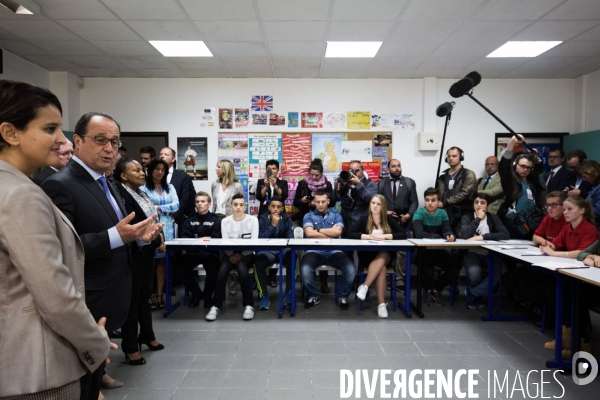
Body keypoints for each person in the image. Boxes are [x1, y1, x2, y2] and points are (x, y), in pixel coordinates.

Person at [0, 80, 113, 399]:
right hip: (37, 366)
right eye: (50, 129)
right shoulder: (21, 195)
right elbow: (54, 295)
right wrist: (96, 341)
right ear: (10, 133)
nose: (62, 141)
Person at [41, 111, 161, 400]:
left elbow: (122, 233)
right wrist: (116, 236)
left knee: (92, 378)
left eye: (115, 142)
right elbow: (59, 247)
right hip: (85, 299)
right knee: (80, 383)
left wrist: (140, 239)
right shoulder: (61, 185)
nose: (109, 148)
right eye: (101, 140)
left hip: (112, 294)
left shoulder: (107, 182)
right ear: (78, 141)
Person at [114, 158, 165, 365]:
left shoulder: (141, 192)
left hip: (146, 250)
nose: (142, 173)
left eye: (142, 170)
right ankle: (130, 346)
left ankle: (147, 335)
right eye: (136, 171)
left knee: (146, 296)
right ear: (124, 176)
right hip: (133, 252)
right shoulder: (120, 194)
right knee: (132, 301)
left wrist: (158, 237)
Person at [351, 194, 407, 318]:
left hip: (386, 255)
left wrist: (384, 236)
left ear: (383, 207)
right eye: (373, 203)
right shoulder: (364, 219)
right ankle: (381, 305)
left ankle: (365, 286)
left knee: (383, 255)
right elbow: (349, 233)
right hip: (367, 256)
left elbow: (403, 234)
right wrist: (365, 236)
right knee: (381, 268)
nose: (375, 206)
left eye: (378, 204)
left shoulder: (389, 219)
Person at [205, 194, 259, 321]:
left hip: (247, 254)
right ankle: (215, 306)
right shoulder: (225, 221)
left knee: (242, 269)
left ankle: (249, 305)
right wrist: (231, 255)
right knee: (222, 271)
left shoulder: (253, 220)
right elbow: (225, 242)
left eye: (241, 205)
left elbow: (254, 242)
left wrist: (241, 255)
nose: (238, 207)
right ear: (231, 207)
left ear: (245, 207)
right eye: (235, 205)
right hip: (229, 254)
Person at [300, 189, 356, 310]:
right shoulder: (308, 216)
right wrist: (330, 232)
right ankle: (313, 296)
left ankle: (342, 297)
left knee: (350, 268)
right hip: (313, 251)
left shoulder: (337, 215)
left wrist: (318, 230)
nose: (320, 204)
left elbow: (338, 231)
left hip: (334, 251)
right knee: (304, 269)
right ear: (314, 202)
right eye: (318, 201)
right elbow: (309, 233)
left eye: (323, 201)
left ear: (328, 201)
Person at [140, 158, 179, 310]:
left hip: (167, 227)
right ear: (150, 170)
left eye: (163, 170)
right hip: (150, 227)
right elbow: (146, 207)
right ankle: (149, 295)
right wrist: (161, 208)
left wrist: (158, 208)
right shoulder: (143, 189)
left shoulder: (169, 187)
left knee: (163, 262)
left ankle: (160, 295)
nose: (160, 172)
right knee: (151, 262)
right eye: (157, 169)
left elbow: (176, 205)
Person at [412, 187, 461, 306]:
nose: (430, 203)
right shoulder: (419, 213)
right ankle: (426, 290)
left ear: (438, 201)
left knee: (455, 267)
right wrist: (438, 237)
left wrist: (449, 236)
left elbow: (446, 230)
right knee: (428, 271)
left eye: (433, 200)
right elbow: (419, 234)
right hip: (423, 251)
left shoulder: (442, 213)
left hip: (439, 250)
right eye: (427, 200)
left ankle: (436, 289)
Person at [460, 193, 510, 309]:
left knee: (502, 269)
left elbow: (505, 234)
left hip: (490, 253)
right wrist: (478, 218)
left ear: (487, 205)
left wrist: (483, 237)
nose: (478, 205)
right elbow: (466, 234)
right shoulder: (466, 217)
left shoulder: (493, 218)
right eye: (476, 202)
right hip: (471, 253)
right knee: (474, 273)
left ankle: (474, 293)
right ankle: (478, 295)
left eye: (482, 203)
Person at [292, 158, 333, 293]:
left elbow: (332, 202)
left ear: (321, 173)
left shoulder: (327, 184)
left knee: (324, 249)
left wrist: (319, 203)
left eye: (317, 175)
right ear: (309, 173)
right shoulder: (302, 184)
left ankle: (324, 281)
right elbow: (295, 203)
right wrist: (303, 201)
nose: (314, 178)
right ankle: (310, 282)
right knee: (310, 251)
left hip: (324, 220)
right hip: (306, 219)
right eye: (312, 175)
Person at [178, 192, 222, 308]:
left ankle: (207, 296)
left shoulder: (216, 220)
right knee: (180, 268)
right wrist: (206, 238)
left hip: (210, 253)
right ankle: (197, 294)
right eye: (197, 202)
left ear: (209, 204)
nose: (200, 204)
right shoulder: (189, 219)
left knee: (214, 268)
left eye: (203, 201)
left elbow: (217, 239)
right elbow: (185, 239)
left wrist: (199, 239)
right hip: (193, 253)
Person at [498, 135, 546, 239]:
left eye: (528, 167)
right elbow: (504, 167)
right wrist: (512, 144)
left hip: (530, 222)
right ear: (515, 165)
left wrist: (535, 158)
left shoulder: (532, 182)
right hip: (513, 221)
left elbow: (538, 172)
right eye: (522, 166)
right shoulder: (511, 180)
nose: (525, 169)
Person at [255, 195, 294, 310]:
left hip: (283, 250)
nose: (276, 209)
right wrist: (273, 225)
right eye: (273, 206)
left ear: (282, 208)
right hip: (268, 250)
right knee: (259, 261)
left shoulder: (287, 219)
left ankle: (289, 292)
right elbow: (260, 238)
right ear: (269, 207)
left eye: (278, 207)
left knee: (293, 257)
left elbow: (290, 239)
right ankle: (264, 296)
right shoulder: (262, 219)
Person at [332, 160, 378, 235]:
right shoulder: (345, 184)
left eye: (357, 171)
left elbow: (371, 200)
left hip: (360, 225)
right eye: (352, 171)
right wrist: (338, 184)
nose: (355, 173)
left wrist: (358, 184)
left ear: (363, 170)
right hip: (345, 222)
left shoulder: (370, 184)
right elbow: (334, 199)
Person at [436, 146, 477, 229]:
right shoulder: (442, 177)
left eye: (454, 156)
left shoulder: (468, 174)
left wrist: (445, 203)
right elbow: (438, 193)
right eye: (449, 156)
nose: (451, 158)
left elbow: (465, 193)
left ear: (461, 157)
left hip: (463, 213)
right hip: (445, 214)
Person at [159, 147, 196, 229]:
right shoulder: (154, 175)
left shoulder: (182, 176)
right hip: (157, 217)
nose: (162, 156)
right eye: (161, 154)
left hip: (177, 218)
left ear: (173, 159)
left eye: (166, 154)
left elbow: (184, 198)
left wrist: (174, 215)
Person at [377, 158, 418, 230]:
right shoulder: (382, 183)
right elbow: (377, 202)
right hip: (386, 221)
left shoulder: (409, 182)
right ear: (388, 169)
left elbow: (414, 201)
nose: (397, 168)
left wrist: (409, 214)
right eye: (393, 166)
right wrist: (384, 212)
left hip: (404, 222)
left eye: (398, 166)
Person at [578, 160, 600, 230]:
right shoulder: (594, 187)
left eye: (585, 177)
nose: (584, 180)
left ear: (592, 173)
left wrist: (580, 210)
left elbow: (598, 211)